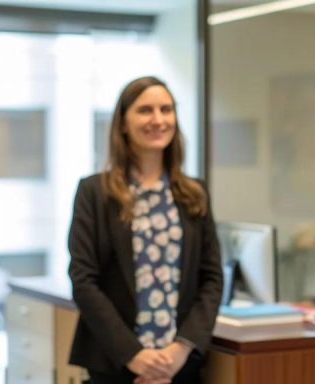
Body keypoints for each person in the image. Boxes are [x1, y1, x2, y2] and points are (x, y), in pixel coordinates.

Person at [68, 76, 222, 384]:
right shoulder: (95, 192)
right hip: (115, 365)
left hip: (179, 367)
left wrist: (181, 350)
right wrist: (134, 355)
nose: (158, 119)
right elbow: (83, 280)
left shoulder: (194, 194)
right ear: (123, 123)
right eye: (145, 110)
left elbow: (212, 279)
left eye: (166, 109)